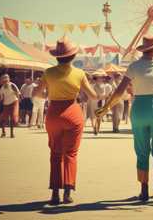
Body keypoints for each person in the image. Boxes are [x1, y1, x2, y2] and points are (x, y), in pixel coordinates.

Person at [95, 36, 153, 205]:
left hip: (139, 108)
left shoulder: (134, 67)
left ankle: (144, 191)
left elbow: (120, 91)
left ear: (143, 50)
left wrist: (106, 107)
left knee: (142, 151)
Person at [33, 36, 97, 205]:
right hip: (72, 112)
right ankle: (68, 192)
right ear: (73, 56)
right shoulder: (79, 73)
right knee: (71, 153)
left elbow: (36, 94)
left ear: (56, 56)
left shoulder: (48, 73)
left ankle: (55, 193)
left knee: (55, 153)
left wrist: (49, 95)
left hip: (54, 113)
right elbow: (93, 95)